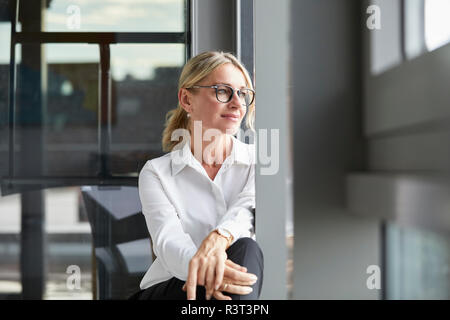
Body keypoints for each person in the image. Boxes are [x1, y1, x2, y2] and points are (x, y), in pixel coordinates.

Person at [129, 51, 263, 300]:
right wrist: (212, 269)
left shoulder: (260, 161)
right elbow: (169, 244)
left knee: (245, 247)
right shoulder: (157, 173)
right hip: (172, 290)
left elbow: (249, 210)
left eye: (243, 94)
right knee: (232, 275)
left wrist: (219, 238)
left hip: (233, 289)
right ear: (187, 100)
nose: (237, 103)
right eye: (223, 91)